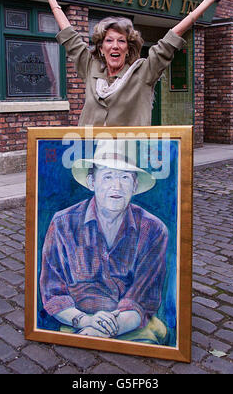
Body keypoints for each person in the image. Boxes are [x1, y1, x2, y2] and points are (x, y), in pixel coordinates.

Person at [25, 0, 233, 126]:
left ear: (128, 48)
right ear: (101, 47)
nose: (115, 46)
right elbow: (69, 36)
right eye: (109, 41)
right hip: (91, 156)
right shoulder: (90, 66)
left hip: (130, 159)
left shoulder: (144, 72)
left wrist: (209, 0)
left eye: (121, 41)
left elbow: (171, 38)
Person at [39, 140, 169, 344]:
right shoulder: (63, 223)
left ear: (135, 185)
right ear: (92, 182)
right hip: (75, 319)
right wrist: (84, 321)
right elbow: (52, 292)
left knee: (153, 339)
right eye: (107, 176)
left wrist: (103, 331)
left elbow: (143, 299)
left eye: (125, 177)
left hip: (131, 323)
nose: (116, 186)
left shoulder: (153, 229)